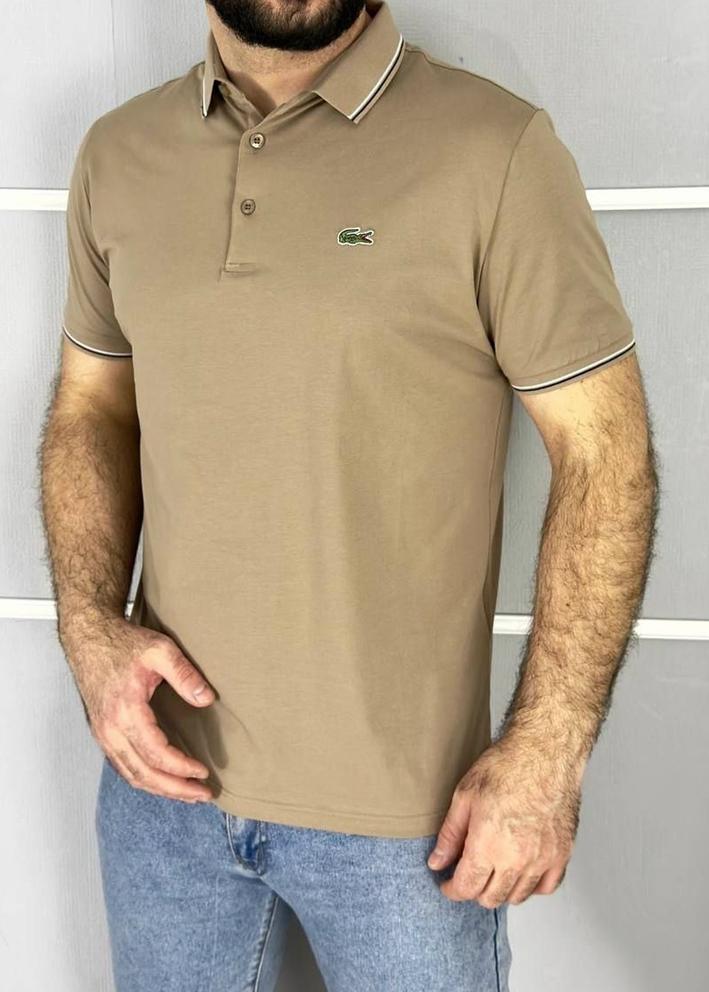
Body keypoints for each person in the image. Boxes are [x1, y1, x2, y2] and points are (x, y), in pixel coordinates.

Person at [38, 1, 658, 989]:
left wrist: (547, 753)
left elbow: (605, 456)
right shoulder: (117, 153)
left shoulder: (494, 150)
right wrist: (87, 625)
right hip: (162, 798)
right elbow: (90, 408)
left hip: (411, 823)